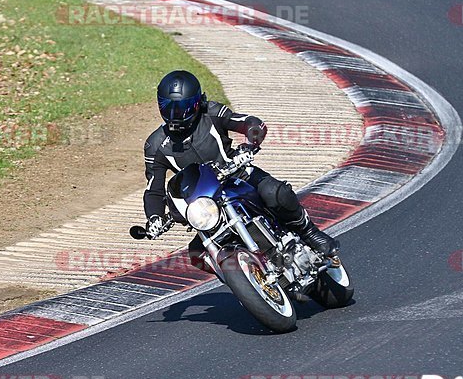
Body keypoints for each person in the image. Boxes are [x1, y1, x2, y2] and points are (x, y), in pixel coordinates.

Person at [143, 70, 339, 264]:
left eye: (182, 108)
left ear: (196, 103)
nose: (175, 114)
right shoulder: (155, 145)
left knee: (275, 192)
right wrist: (154, 217)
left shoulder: (211, 113)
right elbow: (153, 189)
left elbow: (248, 123)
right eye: (168, 107)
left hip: (238, 174)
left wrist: (250, 144)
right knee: (196, 254)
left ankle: (310, 232)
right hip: (207, 200)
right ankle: (246, 276)